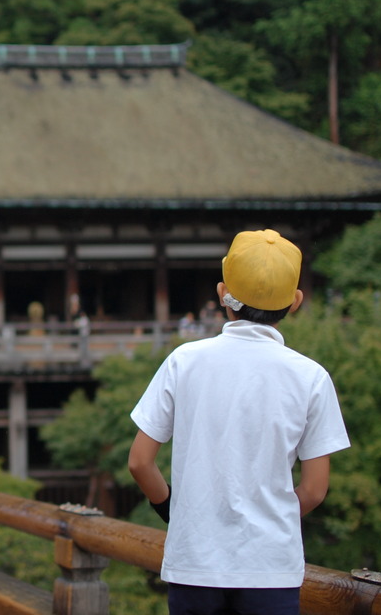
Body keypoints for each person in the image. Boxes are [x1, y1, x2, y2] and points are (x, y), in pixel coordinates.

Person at [127, 229, 350, 615]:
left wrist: (172, 509)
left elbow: (140, 462)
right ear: (295, 302)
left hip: (194, 562)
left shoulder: (185, 361)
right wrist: (268, 516)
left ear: (222, 292)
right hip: (270, 569)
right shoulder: (311, 377)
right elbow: (314, 490)